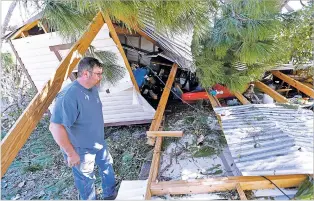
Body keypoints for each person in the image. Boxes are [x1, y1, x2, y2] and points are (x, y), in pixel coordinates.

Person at [49, 57, 116, 200]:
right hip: (81, 149)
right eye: (98, 74)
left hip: (98, 142)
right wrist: (71, 153)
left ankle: (110, 196)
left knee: (107, 167)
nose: (100, 77)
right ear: (86, 73)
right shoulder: (69, 96)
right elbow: (55, 127)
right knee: (86, 182)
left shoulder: (92, 89)